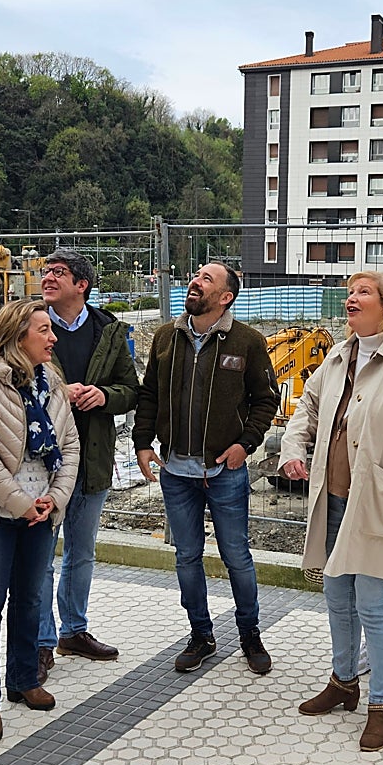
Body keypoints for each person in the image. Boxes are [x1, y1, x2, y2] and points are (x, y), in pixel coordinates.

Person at [281, 271, 383, 752]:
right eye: (350, 293)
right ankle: (342, 682)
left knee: (375, 604)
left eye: (363, 293)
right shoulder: (339, 354)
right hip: (334, 499)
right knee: (336, 595)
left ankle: (382, 705)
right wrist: (293, 446)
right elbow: (306, 409)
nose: (351, 299)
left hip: (382, 503)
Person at [133, 263, 279, 675]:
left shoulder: (247, 341)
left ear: (225, 297)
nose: (195, 281)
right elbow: (149, 395)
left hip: (225, 473)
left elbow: (266, 401)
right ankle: (201, 636)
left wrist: (244, 445)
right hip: (176, 472)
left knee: (237, 557)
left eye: (207, 279)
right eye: (196, 275)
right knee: (186, 557)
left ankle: (250, 633)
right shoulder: (166, 337)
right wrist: (143, 443)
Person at [0, 299, 80, 742]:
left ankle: (25, 680)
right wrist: (21, 502)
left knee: (29, 600)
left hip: (40, 515)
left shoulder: (53, 384)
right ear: (16, 335)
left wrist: (53, 500)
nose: (53, 338)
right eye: (44, 330)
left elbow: (70, 448)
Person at [37, 249, 139, 682]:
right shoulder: (28, 325)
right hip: (43, 462)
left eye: (58, 272)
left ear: (82, 284)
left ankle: (73, 631)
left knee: (82, 553)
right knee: (41, 556)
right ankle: (40, 642)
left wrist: (104, 396)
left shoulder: (109, 330)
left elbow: (130, 390)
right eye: (45, 271)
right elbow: (6, 379)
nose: (47, 277)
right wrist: (60, 391)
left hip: (93, 457)